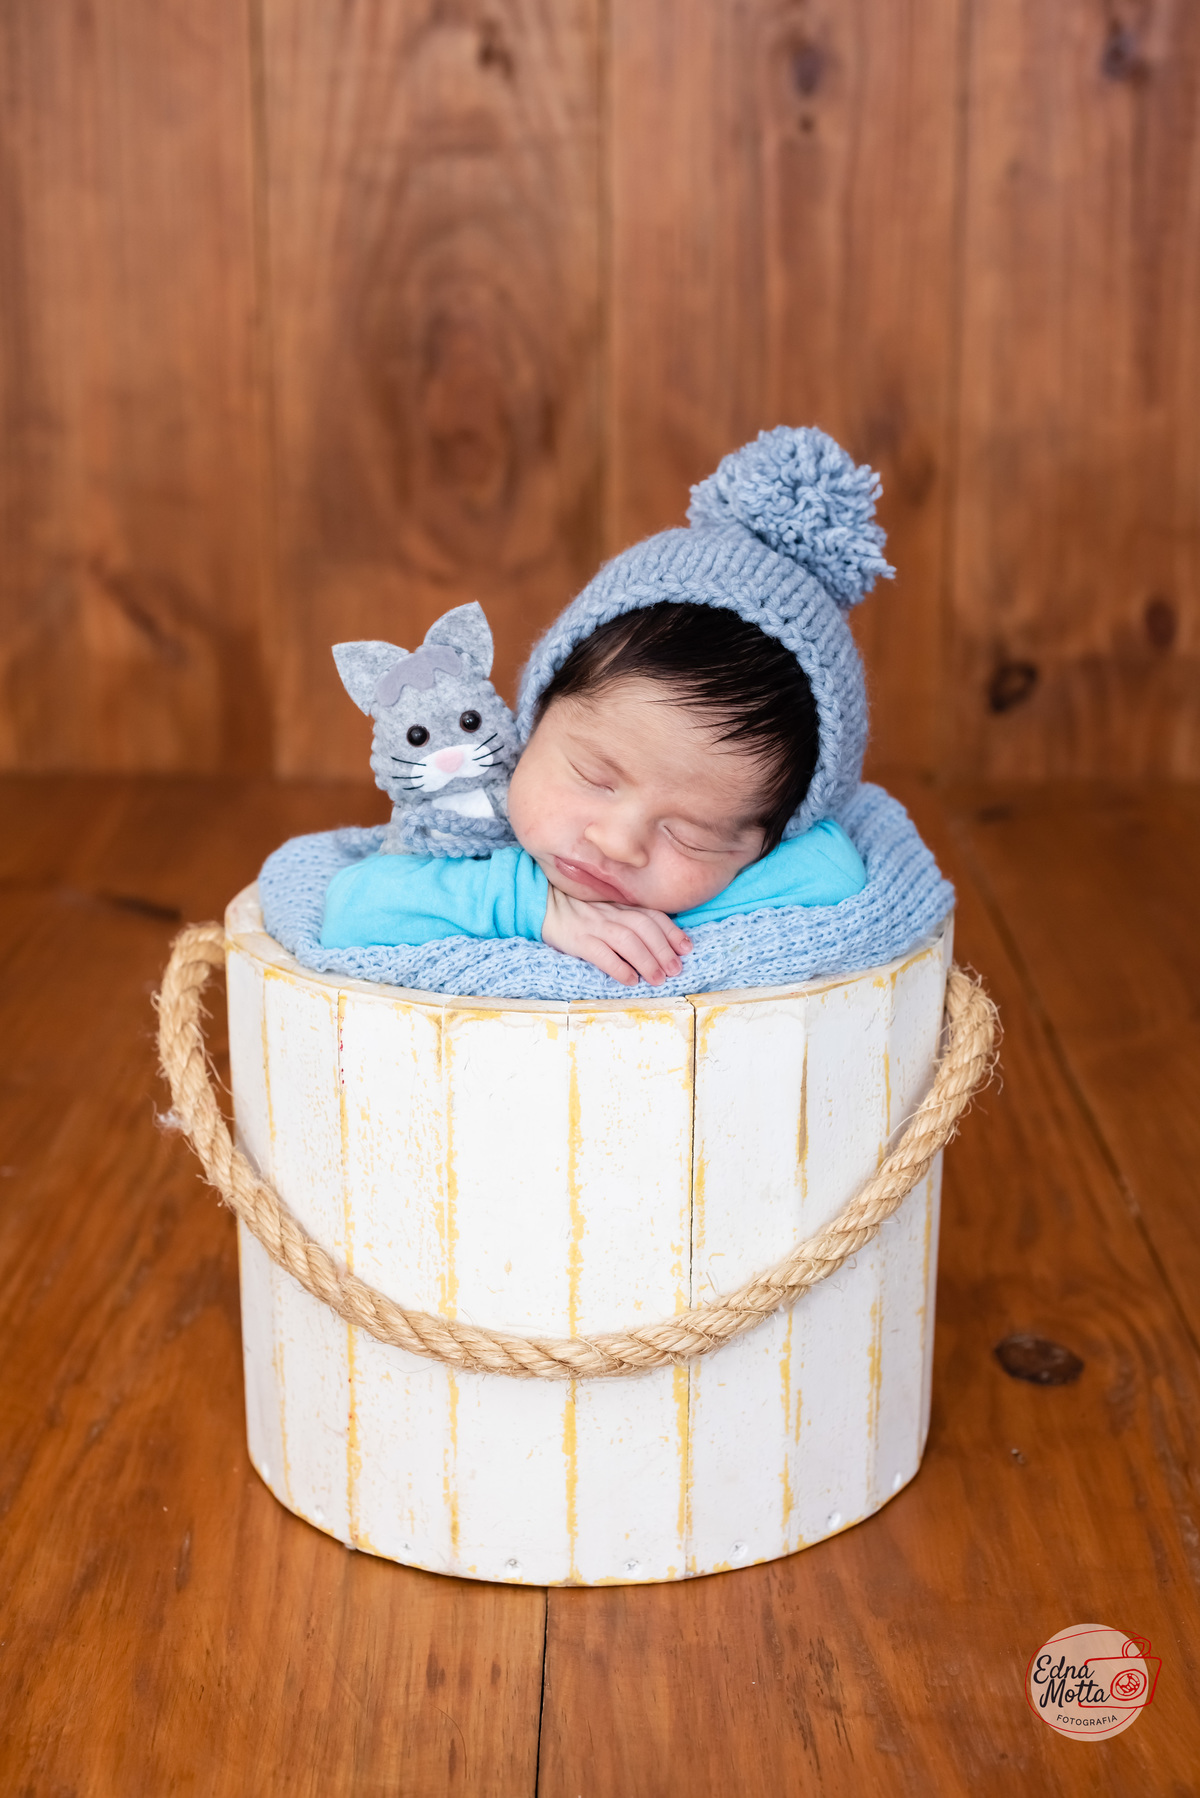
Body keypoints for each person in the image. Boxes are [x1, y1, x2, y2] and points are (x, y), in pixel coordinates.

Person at [320, 425, 895, 986]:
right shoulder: (466, 833)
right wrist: (532, 905)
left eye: (691, 836)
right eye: (594, 778)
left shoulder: (777, 855)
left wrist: (657, 921)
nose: (618, 843)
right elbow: (354, 909)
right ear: (535, 722)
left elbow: (830, 870)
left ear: (772, 841)